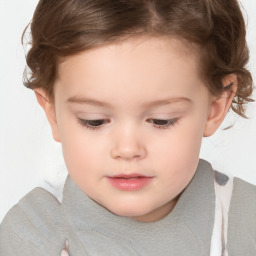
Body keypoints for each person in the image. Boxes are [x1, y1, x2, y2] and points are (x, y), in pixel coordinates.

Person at [0, 0, 255, 255]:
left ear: (215, 106)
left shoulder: (244, 223)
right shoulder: (34, 236)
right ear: (52, 112)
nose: (127, 149)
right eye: (94, 121)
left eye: (161, 120)